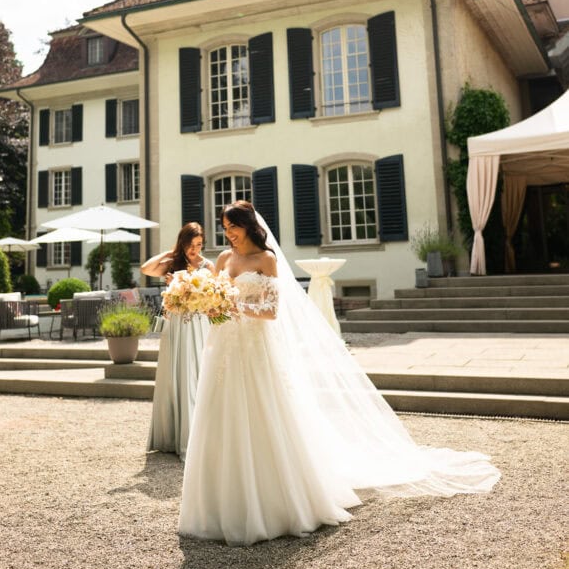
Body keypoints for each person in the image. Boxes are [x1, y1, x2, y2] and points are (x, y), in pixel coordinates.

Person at [179, 201, 500, 546]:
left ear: (248, 226)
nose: (228, 235)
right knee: (219, 415)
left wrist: (234, 305)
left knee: (261, 413)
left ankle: (272, 502)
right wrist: (202, 304)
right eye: (224, 229)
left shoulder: (266, 260)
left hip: (255, 350)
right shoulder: (224, 260)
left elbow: (271, 312)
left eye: (233, 227)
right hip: (223, 346)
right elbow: (214, 303)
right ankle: (215, 505)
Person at [142, 222, 214, 461]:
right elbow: (146, 268)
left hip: (197, 324)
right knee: (173, 376)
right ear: (182, 243)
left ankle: (193, 436)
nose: (195, 250)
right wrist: (171, 253)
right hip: (174, 324)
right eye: (191, 245)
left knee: (193, 373)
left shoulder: (207, 265)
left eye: (199, 245)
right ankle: (170, 436)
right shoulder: (173, 265)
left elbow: (213, 298)